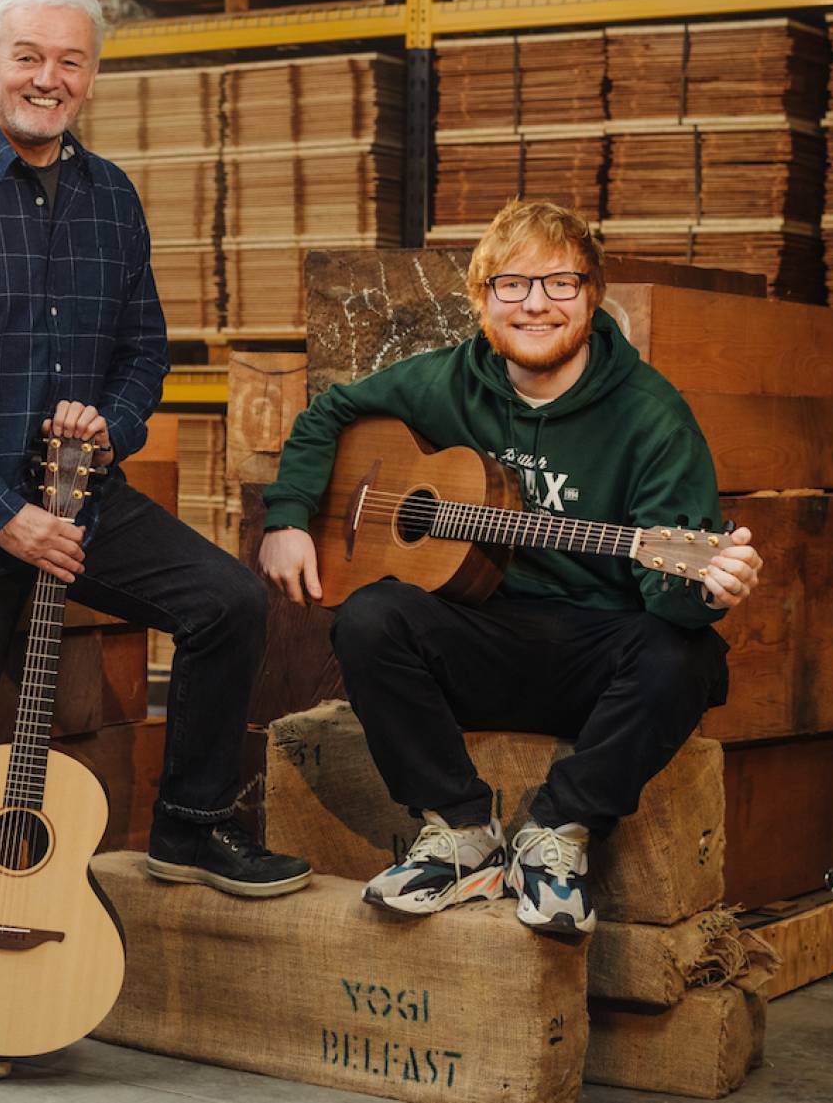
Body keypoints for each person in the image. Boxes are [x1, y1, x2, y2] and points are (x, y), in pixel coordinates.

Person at [0, 0, 310, 1080]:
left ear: (92, 77)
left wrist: (105, 424)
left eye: (70, 62)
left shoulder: (112, 197)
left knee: (228, 602)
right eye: (28, 56)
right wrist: (6, 519)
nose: (47, 79)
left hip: (80, 504)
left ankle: (190, 823)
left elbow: (145, 353)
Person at [258, 199, 761, 937]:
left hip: (593, 653)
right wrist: (289, 516)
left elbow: (671, 599)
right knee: (368, 618)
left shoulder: (652, 417)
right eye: (512, 284)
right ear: (482, 298)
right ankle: (462, 834)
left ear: (593, 295)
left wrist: (706, 587)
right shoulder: (450, 380)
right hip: (481, 639)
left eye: (560, 283)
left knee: (683, 657)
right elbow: (330, 411)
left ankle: (557, 833)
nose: (535, 304)